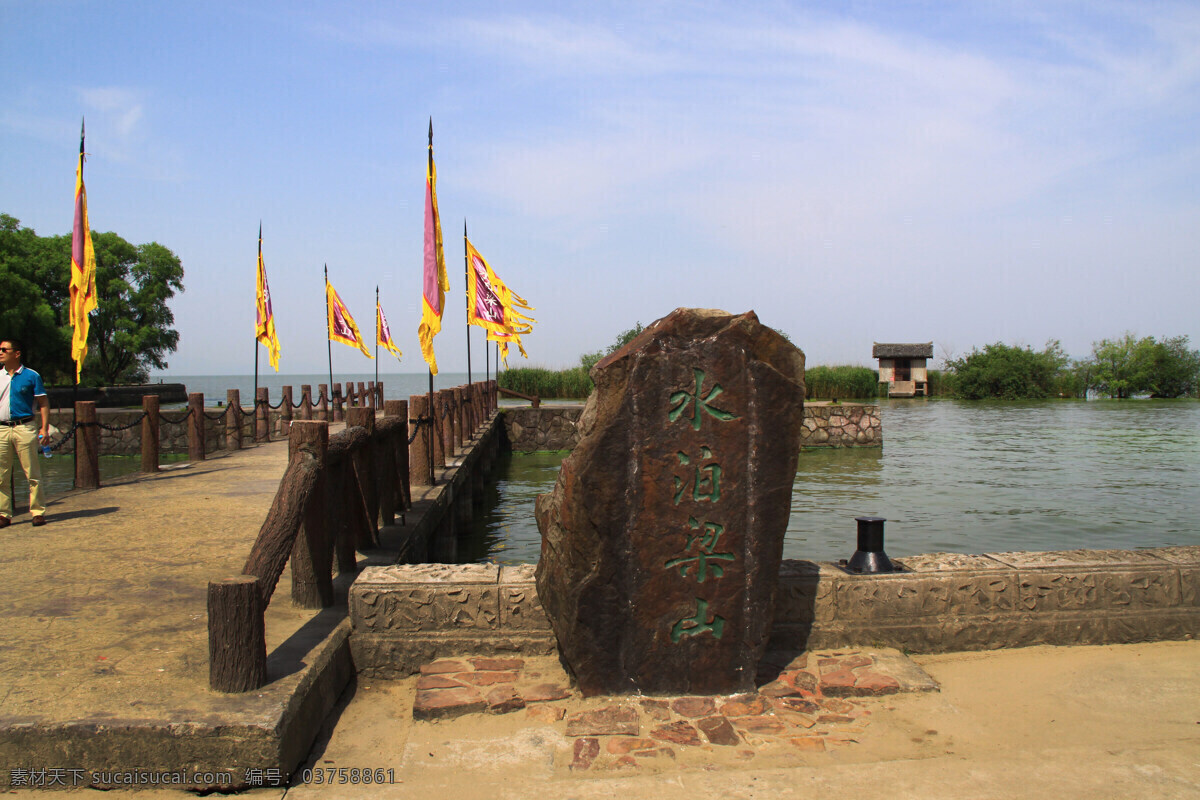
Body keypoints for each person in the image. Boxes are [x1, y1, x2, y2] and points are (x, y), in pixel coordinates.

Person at [0, 339, 50, 527]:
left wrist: (44, 428)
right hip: (2, 428)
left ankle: (37, 511)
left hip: (24, 427)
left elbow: (43, 403)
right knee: (1, 474)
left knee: (32, 473)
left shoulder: (31, 376)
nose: (1, 352)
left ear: (17, 353)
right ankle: (3, 513)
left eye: (5, 349)